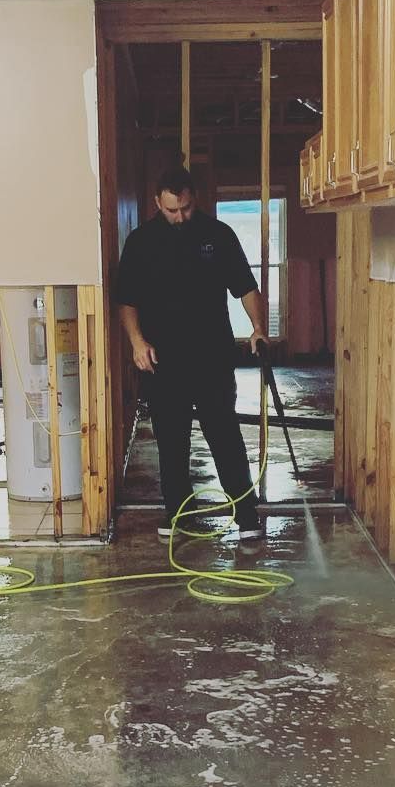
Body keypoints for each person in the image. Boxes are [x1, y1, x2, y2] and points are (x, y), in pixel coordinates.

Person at [115, 166, 266, 541]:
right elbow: (126, 299)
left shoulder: (218, 235)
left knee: (224, 434)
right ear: (157, 203)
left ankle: (245, 512)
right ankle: (179, 511)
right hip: (163, 360)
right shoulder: (141, 242)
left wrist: (258, 327)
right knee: (171, 438)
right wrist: (136, 342)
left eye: (184, 208)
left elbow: (245, 287)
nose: (179, 216)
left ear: (193, 199)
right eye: (171, 210)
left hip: (212, 356)